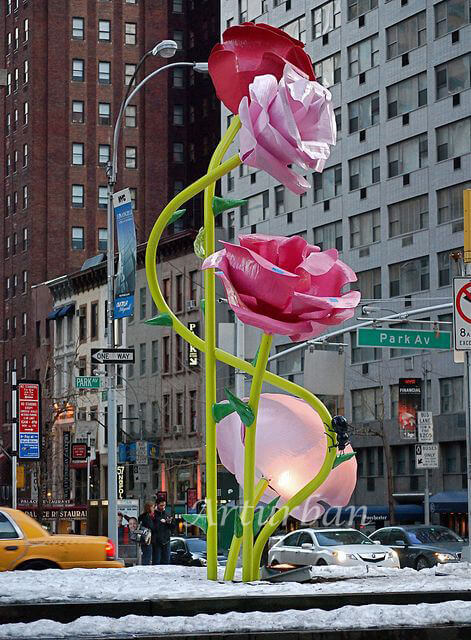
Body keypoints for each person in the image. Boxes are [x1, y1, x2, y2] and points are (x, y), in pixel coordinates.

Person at [153, 498, 174, 565]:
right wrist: (160, 522)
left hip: (166, 540)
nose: (163, 507)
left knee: (166, 561)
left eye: (164, 505)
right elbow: (151, 526)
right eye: (161, 505)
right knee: (157, 561)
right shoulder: (153, 514)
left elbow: (173, 528)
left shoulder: (167, 513)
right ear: (157, 505)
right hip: (156, 541)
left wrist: (169, 523)